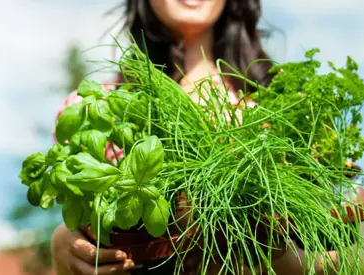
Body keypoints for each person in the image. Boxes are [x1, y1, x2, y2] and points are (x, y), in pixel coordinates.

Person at [51, 0, 339, 274]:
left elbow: (336, 255)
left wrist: (275, 257)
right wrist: (63, 245)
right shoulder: (96, 112)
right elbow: (88, 226)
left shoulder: (290, 105)